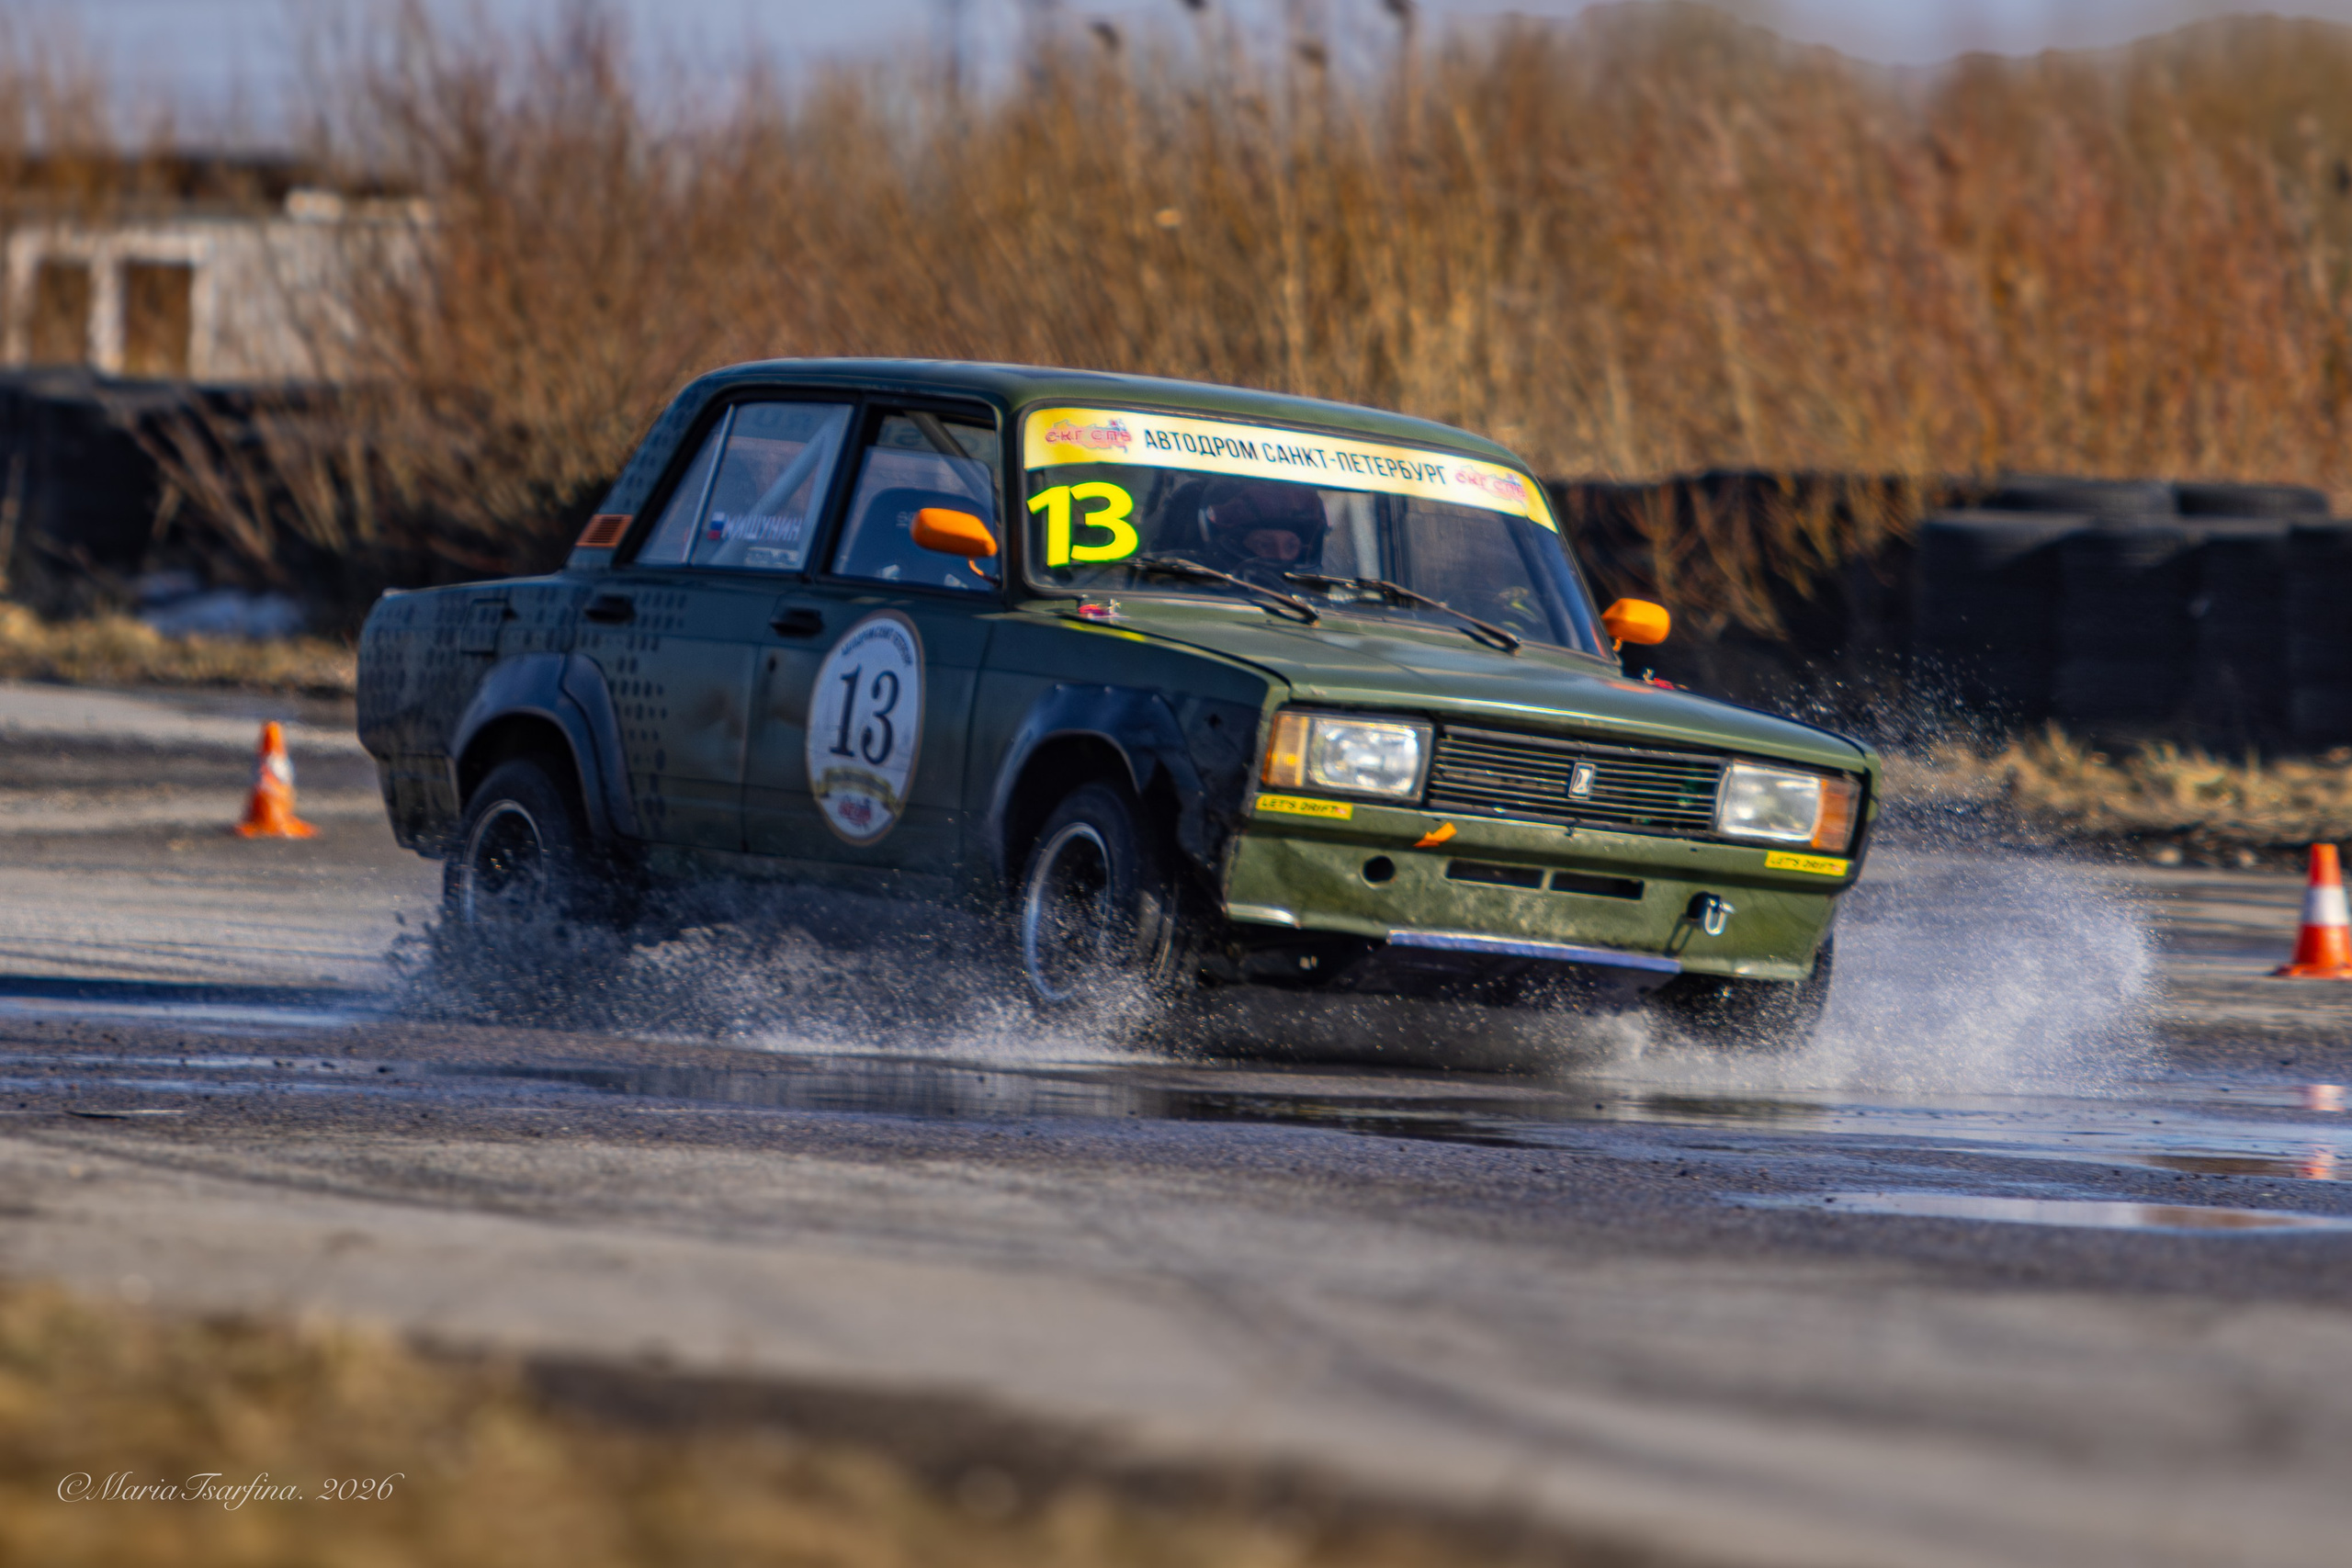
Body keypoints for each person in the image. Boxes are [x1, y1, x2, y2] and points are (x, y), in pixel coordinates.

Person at [1197, 480, 1327, 581]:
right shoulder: (1201, 582)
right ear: (1235, 544)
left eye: (1290, 546)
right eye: (1265, 545)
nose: (1280, 556)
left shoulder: (1318, 595)